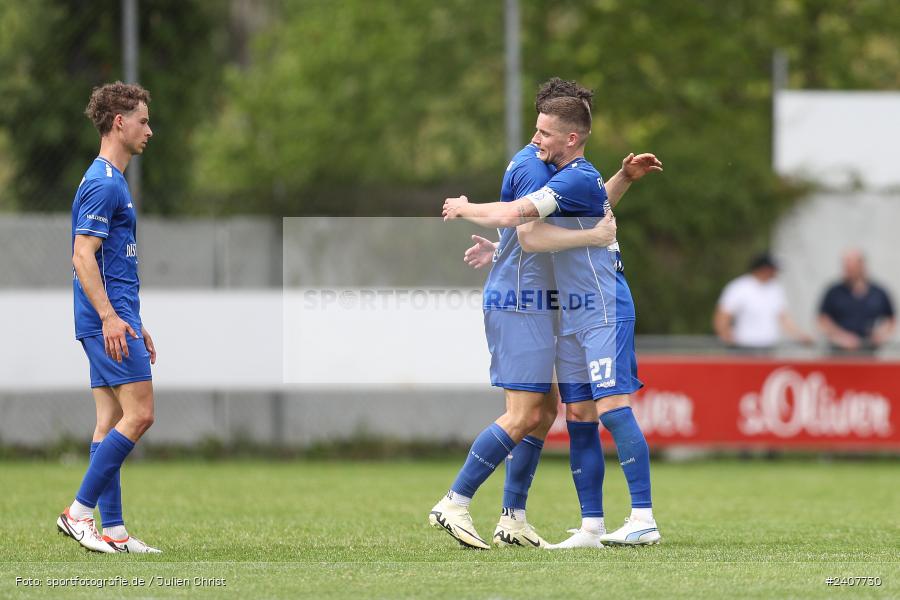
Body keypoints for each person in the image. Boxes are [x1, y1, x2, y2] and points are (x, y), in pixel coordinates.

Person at [443, 84, 663, 548]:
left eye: (544, 131)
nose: (534, 138)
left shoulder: (565, 174)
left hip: (599, 305)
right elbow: (577, 213)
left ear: (571, 138)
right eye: (536, 128)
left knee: (597, 409)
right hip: (567, 308)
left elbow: (523, 222)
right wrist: (620, 184)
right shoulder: (558, 169)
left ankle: (642, 517)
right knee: (571, 412)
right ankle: (589, 527)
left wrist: (465, 209)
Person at [56, 82, 160, 554]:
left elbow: (114, 262)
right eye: (142, 120)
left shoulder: (111, 180)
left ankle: (113, 530)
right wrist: (111, 318)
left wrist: (132, 319)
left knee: (110, 419)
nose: (149, 130)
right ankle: (78, 513)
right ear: (119, 122)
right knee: (140, 415)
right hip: (105, 320)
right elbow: (82, 256)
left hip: (113, 318)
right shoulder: (102, 182)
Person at [713, 253, 812, 350]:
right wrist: (726, 336)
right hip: (744, 347)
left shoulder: (776, 288)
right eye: (773, 269)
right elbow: (723, 315)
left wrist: (799, 336)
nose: (776, 272)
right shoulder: (740, 287)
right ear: (763, 269)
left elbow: (783, 317)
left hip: (769, 346)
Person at [818, 248, 895, 353]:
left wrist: (881, 334)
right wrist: (840, 337)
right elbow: (823, 320)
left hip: (869, 351)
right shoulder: (834, 292)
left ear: (862, 265)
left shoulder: (879, 292)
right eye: (845, 265)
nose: (847, 269)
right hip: (838, 352)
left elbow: (890, 320)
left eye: (851, 265)